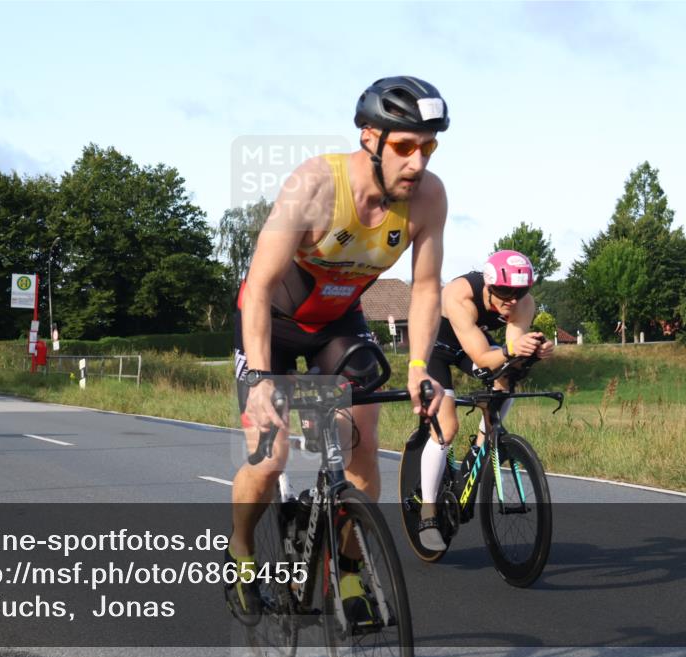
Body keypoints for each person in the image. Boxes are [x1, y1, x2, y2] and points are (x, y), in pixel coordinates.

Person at [228, 76, 449, 625]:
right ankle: (240, 551)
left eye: (429, 146)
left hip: (337, 324)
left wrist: (422, 369)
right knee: (270, 456)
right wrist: (259, 380)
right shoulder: (313, 187)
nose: (418, 162)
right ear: (370, 138)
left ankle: (348, 568)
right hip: (272, 326)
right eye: (405, 146)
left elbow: (425, 288)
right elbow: (257, 287)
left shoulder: (429, 198)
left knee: (363, 444)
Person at [420, 250, 555, 551]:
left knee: (507, 378)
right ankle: (427, 513)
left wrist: (535, 351)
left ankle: (485, 438)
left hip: (470, 346)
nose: (511, 300)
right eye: (504, 292)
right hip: (435, 347)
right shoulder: (460, 294)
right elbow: (482, 356)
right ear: (488, 286)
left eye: (519, 292)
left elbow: (509, 356)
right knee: (447, 426)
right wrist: (511, 350)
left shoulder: (523, 303)